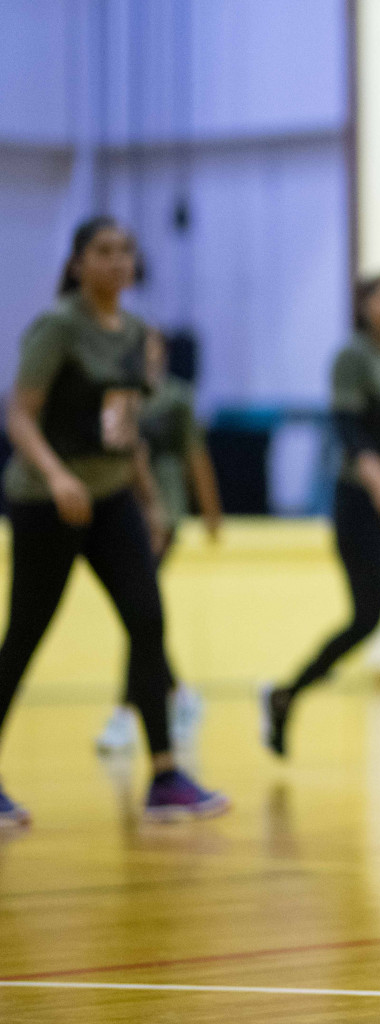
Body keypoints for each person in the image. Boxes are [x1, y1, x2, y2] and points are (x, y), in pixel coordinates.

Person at [0, 216, 229, 828]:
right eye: (103, 251)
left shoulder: (135, 333)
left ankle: (164, 776)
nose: (117, 261)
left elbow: (124, 429)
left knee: (147, 621)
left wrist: (149, 499)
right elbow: (19, 416)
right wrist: (56, 476)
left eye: (126, 250)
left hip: (111, 501)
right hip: (47, 501)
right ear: (78, 263)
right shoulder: (58, 326)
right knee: (23, 637)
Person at [261, 274, 380, 775]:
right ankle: (286, 694)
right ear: (365, 304)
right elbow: (348, 430)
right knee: (367, 618)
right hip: (365, 504)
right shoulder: (353, 358)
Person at [95, 328, 222, 756]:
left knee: (139, 613)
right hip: (118, 511)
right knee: (140, 614)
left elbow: (196, 455)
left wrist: (210, 512)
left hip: (162, 514)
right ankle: (179, 695)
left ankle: (126, 713)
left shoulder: (176, 399)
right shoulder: (119, 395)